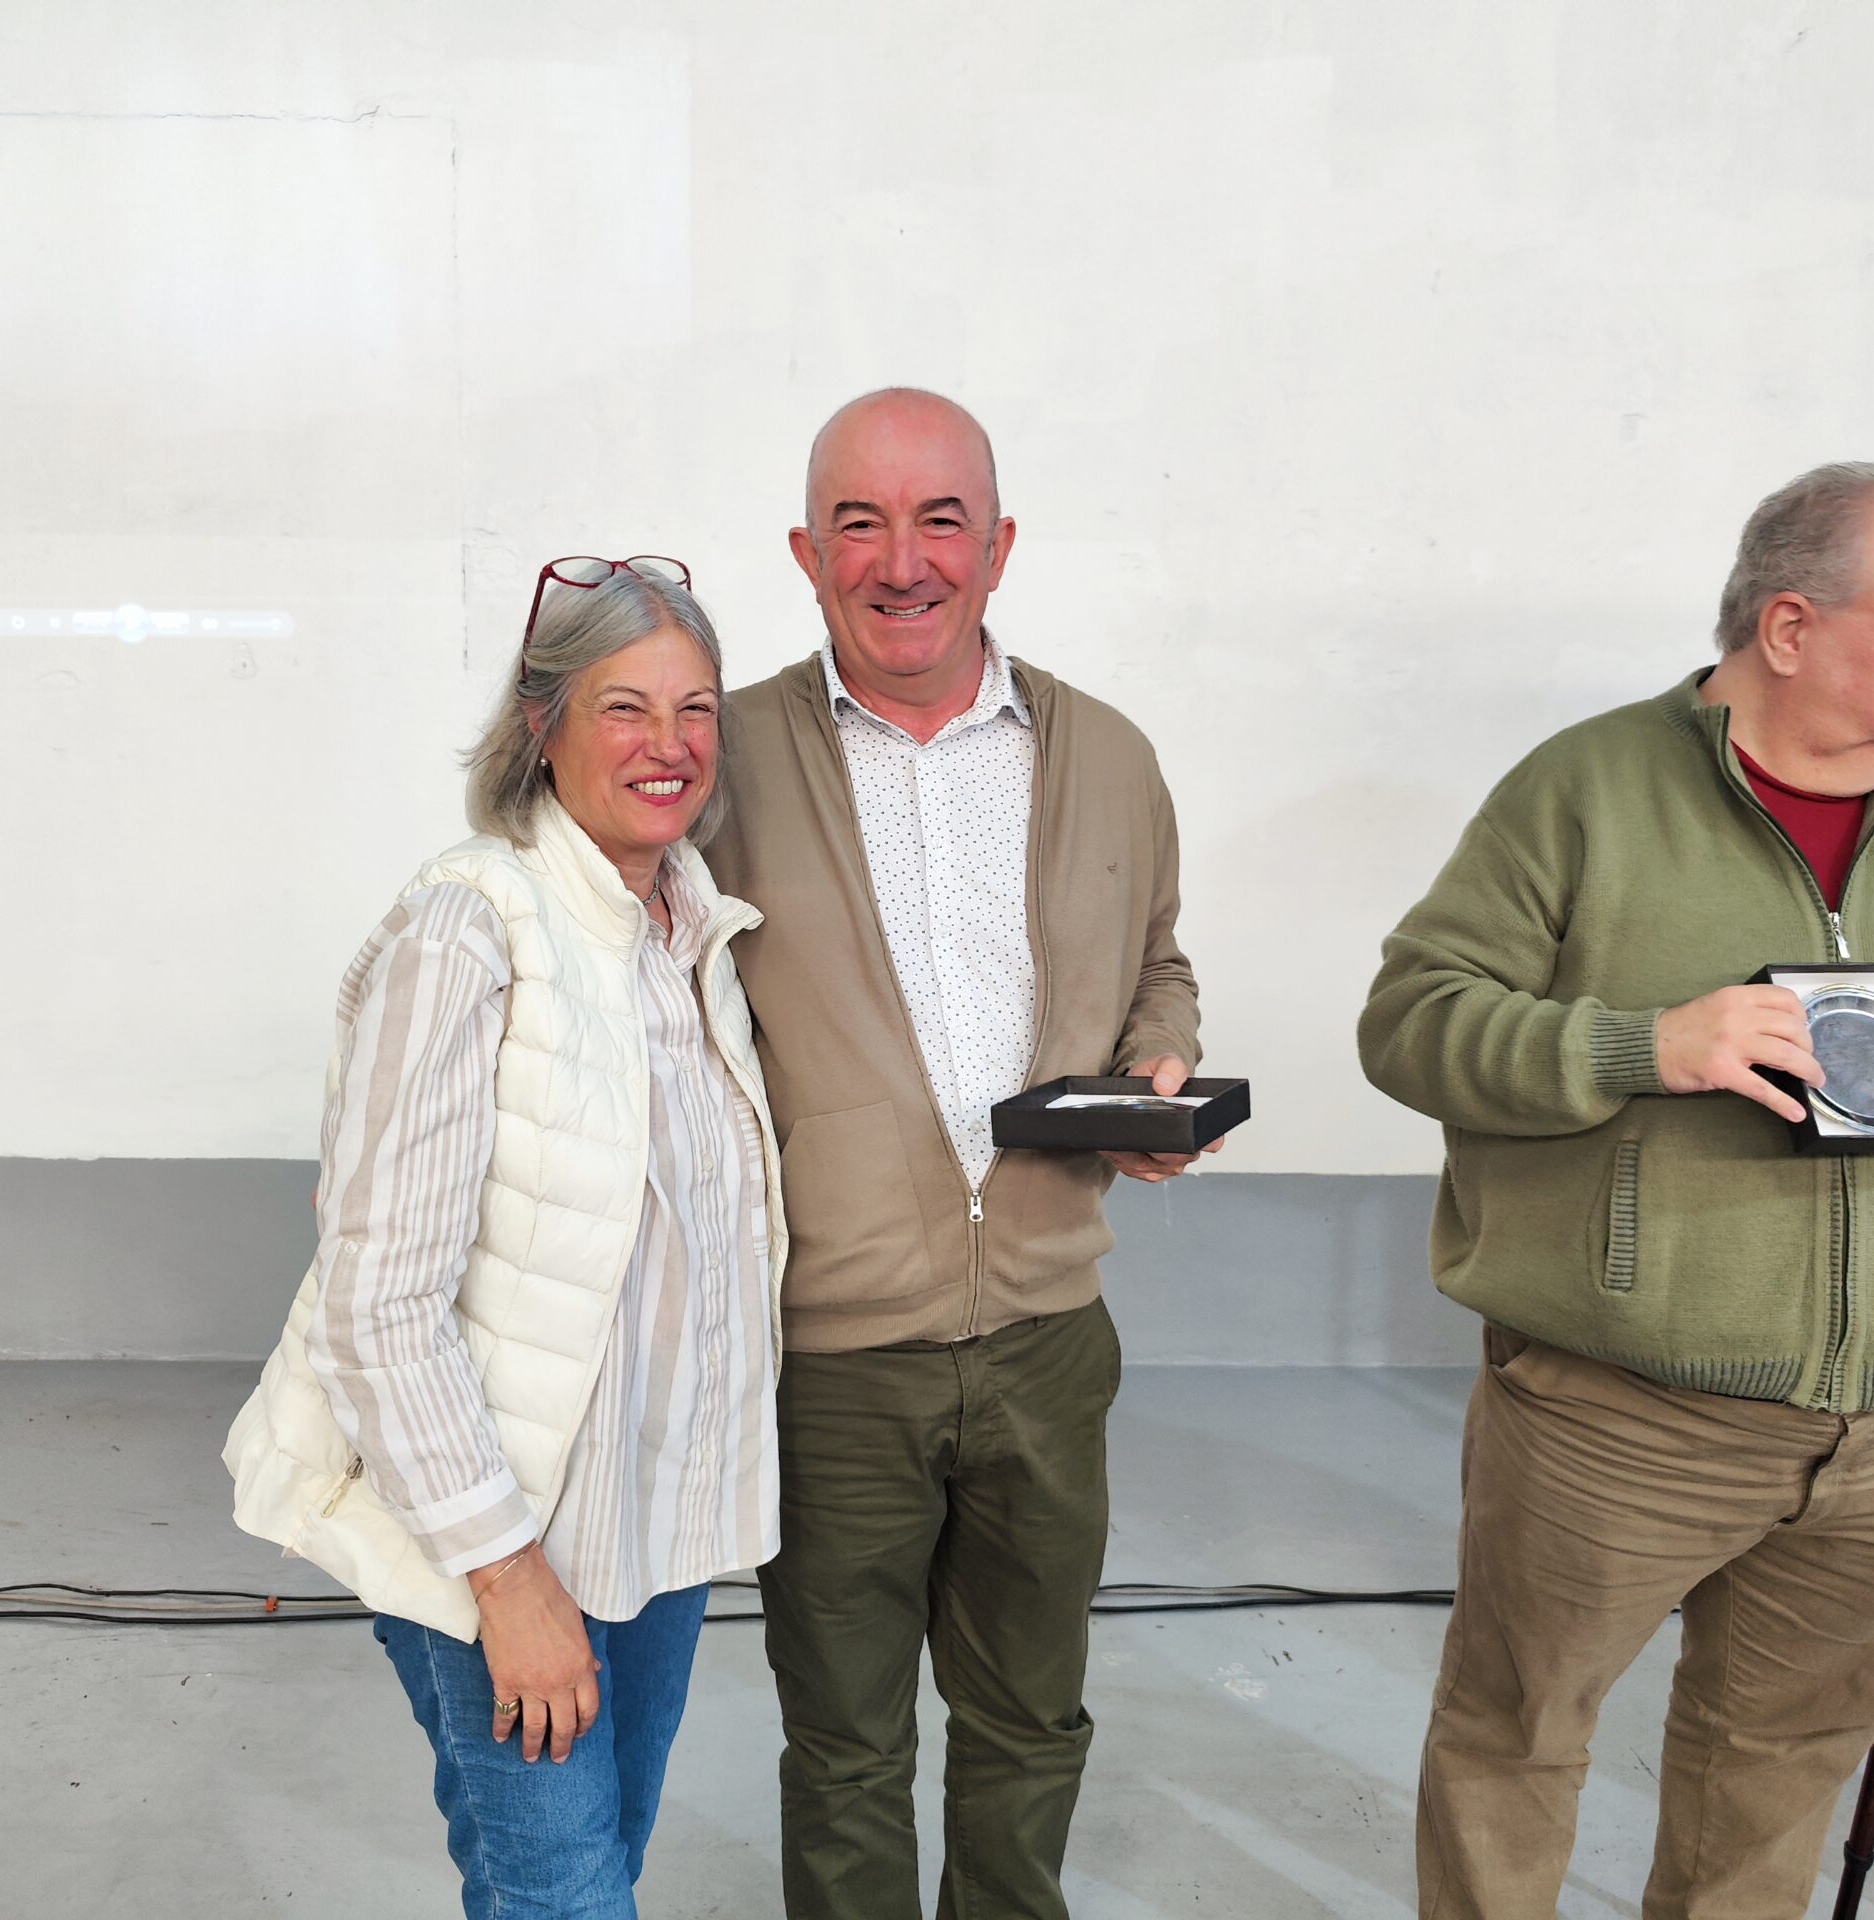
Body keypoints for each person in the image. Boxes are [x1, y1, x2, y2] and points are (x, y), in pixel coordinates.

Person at [1356, 463, 1874, 1919]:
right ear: (1788, 628)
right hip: (1626, 1419)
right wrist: (1642, 1046)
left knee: (1777, 1777)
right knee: (1518, 1743)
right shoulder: (1584, 790)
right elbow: (1410, 1024)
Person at [701, 388, 1204, 1919]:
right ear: (807, 552)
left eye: (940, 521)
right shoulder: (723, 760)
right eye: (859, 522)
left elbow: (1158, 960)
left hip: (1050, 1336)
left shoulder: (1104, 752)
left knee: (1030, 1724)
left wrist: (1159, 1063)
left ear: (998, 546)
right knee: (846, 1747)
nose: (902, 560)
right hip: (833, 1358)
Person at [224, 557, 785, 1919]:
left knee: (577, 1872)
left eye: (695, 709)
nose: (668, 744)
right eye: (623, 707)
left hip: (645, 1528)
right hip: (492, 1532)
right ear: (541, 724)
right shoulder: (468, 928)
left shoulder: (689, 931)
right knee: (565, 1897)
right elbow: (376, 1304)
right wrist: (506, 1579)